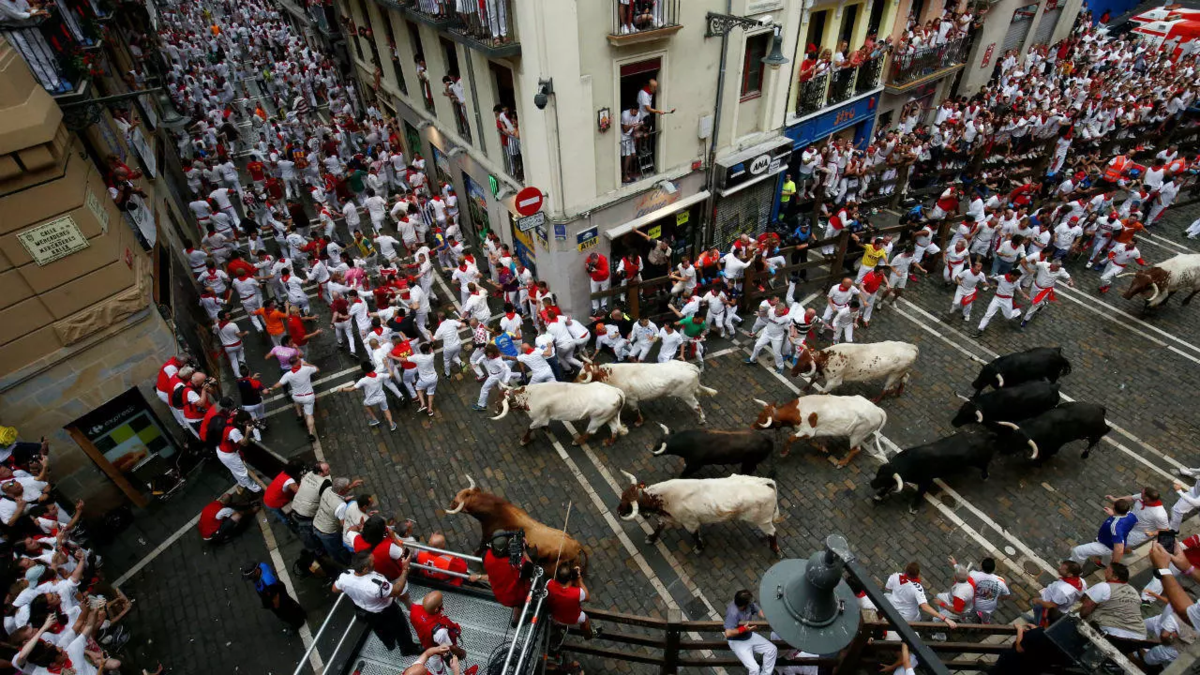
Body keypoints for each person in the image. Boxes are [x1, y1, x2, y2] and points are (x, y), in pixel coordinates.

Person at [332, 551, 420, 655]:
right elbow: (397, 590)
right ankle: (407, 649)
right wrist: (405, 569)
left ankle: (390, 645)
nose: (375, 562)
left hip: (367, 613)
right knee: (401, 629)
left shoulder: (344, 577)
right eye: (373, 562)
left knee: (380, 631)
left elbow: (335, 589)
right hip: (387, 611)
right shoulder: (375, 585)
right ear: (365, 569)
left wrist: (354, 592)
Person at [1077, 563, 1147, 640]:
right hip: (1140, 635)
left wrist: (1081, 619)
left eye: (1108, 571)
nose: (1105, 571)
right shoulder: (1134, 591)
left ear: (1115, 577)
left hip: (1114, 633)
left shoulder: (1104, 586)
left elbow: (1085, 610)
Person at [408, 591, 469, 674]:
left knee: (433, 658)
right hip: (439, 644)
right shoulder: (440, 631)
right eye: (441, 602)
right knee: (450, 661)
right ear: (436, 609)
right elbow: (450, 647)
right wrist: (461, 652)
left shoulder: (414, 608)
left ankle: (439, 672)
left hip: (426, 642)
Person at [480, 533, 534, 626]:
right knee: (519, 604)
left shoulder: (485, 555)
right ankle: (516, 622)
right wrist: (523, 551)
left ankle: (515, 621)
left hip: (499, 592)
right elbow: (531, 568)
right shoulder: (518, 563)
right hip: (515, 596)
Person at [884, 562, 957, 627]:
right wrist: (945, 618)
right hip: (908, 615)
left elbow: (887, 588)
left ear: (906, 570)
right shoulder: (917, 588)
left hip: (893, 605)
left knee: (886, 595)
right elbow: (925, 607)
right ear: (918, 574)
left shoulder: (895, 576)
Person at [1070, 497, 1138, 567]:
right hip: (1107, 540)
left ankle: (1075, 569)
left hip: (1106, 546)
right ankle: (1105, 564)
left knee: (1078, 551)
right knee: (1107, 557)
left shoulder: (1115, 527)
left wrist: (1113, 567)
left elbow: (1119, 549)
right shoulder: (1131, 515)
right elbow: (1129, 522)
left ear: (1114, 509)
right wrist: (1113, 514)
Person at [723, 589, 776, 675]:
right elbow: (728, 633)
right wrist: (743, 629)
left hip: (748, 636)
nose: (751, 602)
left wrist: (770, 612)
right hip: (737, 642)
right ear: (744, 604)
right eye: (749, 601)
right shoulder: (733, 613)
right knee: (755, 669)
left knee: (772, 650)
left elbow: (761, 613)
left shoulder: (748, 605)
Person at [242, 561, 306, 630]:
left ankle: (298, 623)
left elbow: (275, 597)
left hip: (277, 598)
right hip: (279, 589)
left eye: (251, 576)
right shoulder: (262, 566)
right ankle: (301, 613)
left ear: (256, 571)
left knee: (286, 613)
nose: (250, 579)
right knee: (290, 603)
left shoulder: (267, 583)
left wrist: (277, 608)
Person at [337, 361, 398, 431]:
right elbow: (391, 375)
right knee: (386, 409)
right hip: (381, 397)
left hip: (371, 400)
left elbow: (351, 389)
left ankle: (374, 419)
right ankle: (392, 425)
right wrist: (387, 366)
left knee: (365, 404)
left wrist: (342, 389)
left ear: (364, 370)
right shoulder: (380, 375)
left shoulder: (363, 380)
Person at [1030, 560, 1086, 626]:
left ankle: (1035, 626)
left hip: (1046, 607)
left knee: (1038, 615)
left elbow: (1052, 606)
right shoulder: (1082, 582)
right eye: (1061, 566)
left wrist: (1038, 601)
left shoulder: (1062, 590)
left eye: (1062, 569)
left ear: (1070, 574)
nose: (1059, 568)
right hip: (1062, 607)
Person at [547, 564, 594, 639]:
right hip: (573, 619)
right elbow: (587, 597)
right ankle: (587, 635)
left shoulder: (549, 584)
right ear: (570, 578)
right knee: (585, 619)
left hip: (555, 618)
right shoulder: (577, 593)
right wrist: (579, 579)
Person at [967, 557, 1010, 624]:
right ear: (993, 569)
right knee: (986, 617)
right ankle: (985, 622)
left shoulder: (972, 574)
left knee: (970, 609)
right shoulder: (1000, 581)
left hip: (973, 603)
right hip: (988, 608)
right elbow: (1007, 595)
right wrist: (998, 598)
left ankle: (970, 615)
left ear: (981, 566)